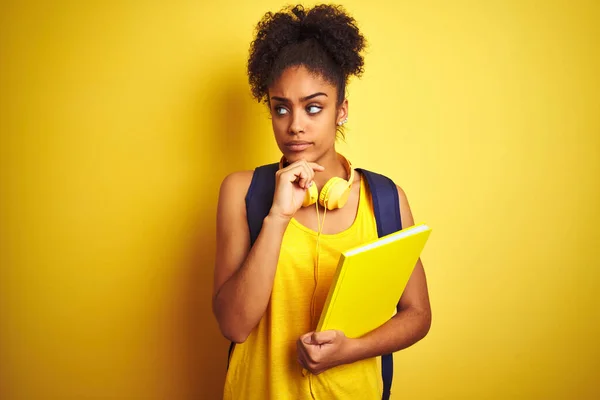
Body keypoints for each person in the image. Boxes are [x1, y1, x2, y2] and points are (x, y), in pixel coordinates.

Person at [212, 4, 431, 399]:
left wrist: (352, 350)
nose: (295, 125)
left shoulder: (383, 198)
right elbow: (233, 326)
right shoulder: (242, 192)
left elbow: (417, 314)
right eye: (281, 108)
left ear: (341, 110)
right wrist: (278, 216)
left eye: (314, 107)